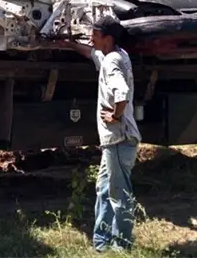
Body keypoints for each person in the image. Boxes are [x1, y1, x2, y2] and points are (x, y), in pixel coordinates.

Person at [58, 16, 141, 252]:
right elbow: (91, 54)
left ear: (108, 38)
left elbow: (122, 93)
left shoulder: (113, 61)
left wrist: (115, 116)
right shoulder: (114, 55)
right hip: (114, 140)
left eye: (95, 35)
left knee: (118, 193)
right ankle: (102, 242)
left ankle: (122, 244)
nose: (90, 38)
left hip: (119, 138)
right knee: (104, 189)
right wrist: (70, 45)